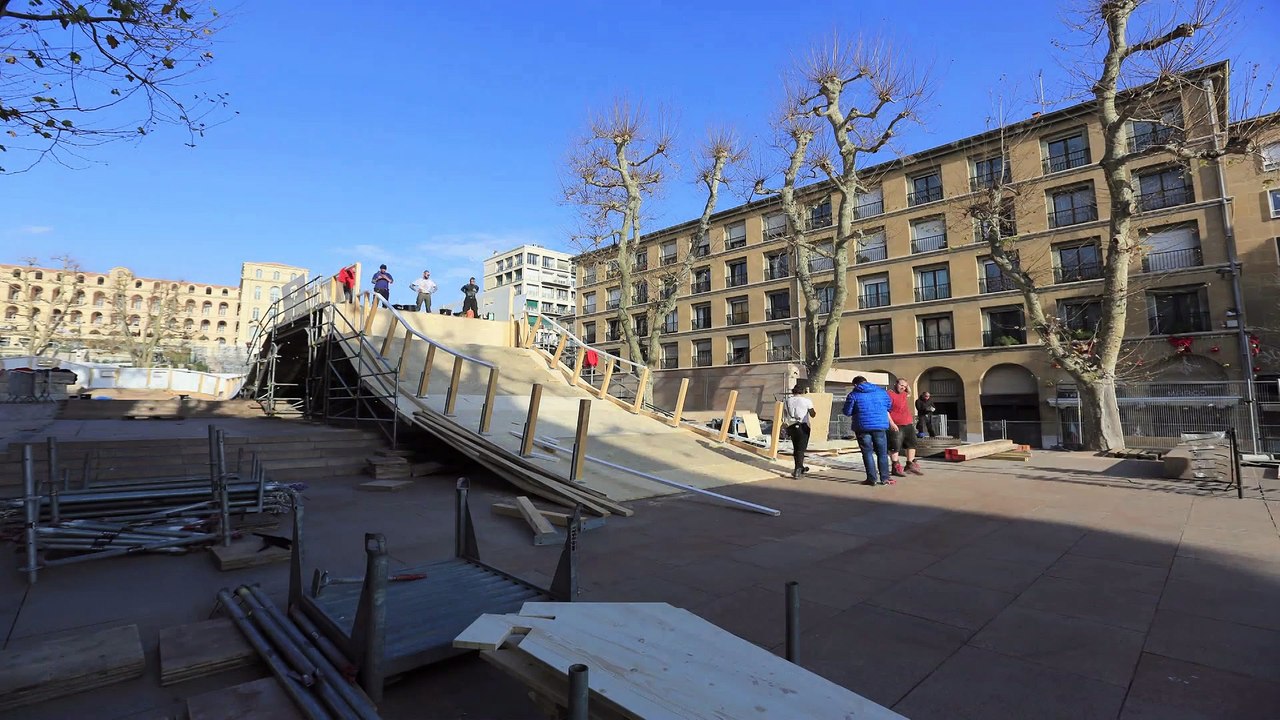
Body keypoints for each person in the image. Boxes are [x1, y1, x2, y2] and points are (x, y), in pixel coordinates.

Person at [843, 376, 897, 486]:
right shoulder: (881, 392)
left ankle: (871, 479)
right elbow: (889, 406)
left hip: (862, 427)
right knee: (882, 453)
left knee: (867, 453)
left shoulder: (854, 394)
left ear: (855, 384)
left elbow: (847, 412)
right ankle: (885, 478)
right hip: (880, 426)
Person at [887, 378, 924, 477]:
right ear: (895, 384)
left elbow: (910, 393)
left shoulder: (904, 394)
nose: (903, 388)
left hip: (907, 423)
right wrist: (891, 423)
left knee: (912, 444)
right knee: (895, 446)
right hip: (896, 424)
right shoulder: (889, 394)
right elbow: (885, 410)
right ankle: (895, 466)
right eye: (901, 385)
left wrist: (908, 386)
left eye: (904, 386)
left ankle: (910, 464)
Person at [783, 380, 817, 479]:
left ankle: (800, 466)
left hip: (792, 426)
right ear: (802, 392)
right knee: (801, 449)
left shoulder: (787, 401)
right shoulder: (806, 401)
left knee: (796, 447)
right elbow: (813, 414)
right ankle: (798, 469)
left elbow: (785, 414)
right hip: (803, 425)